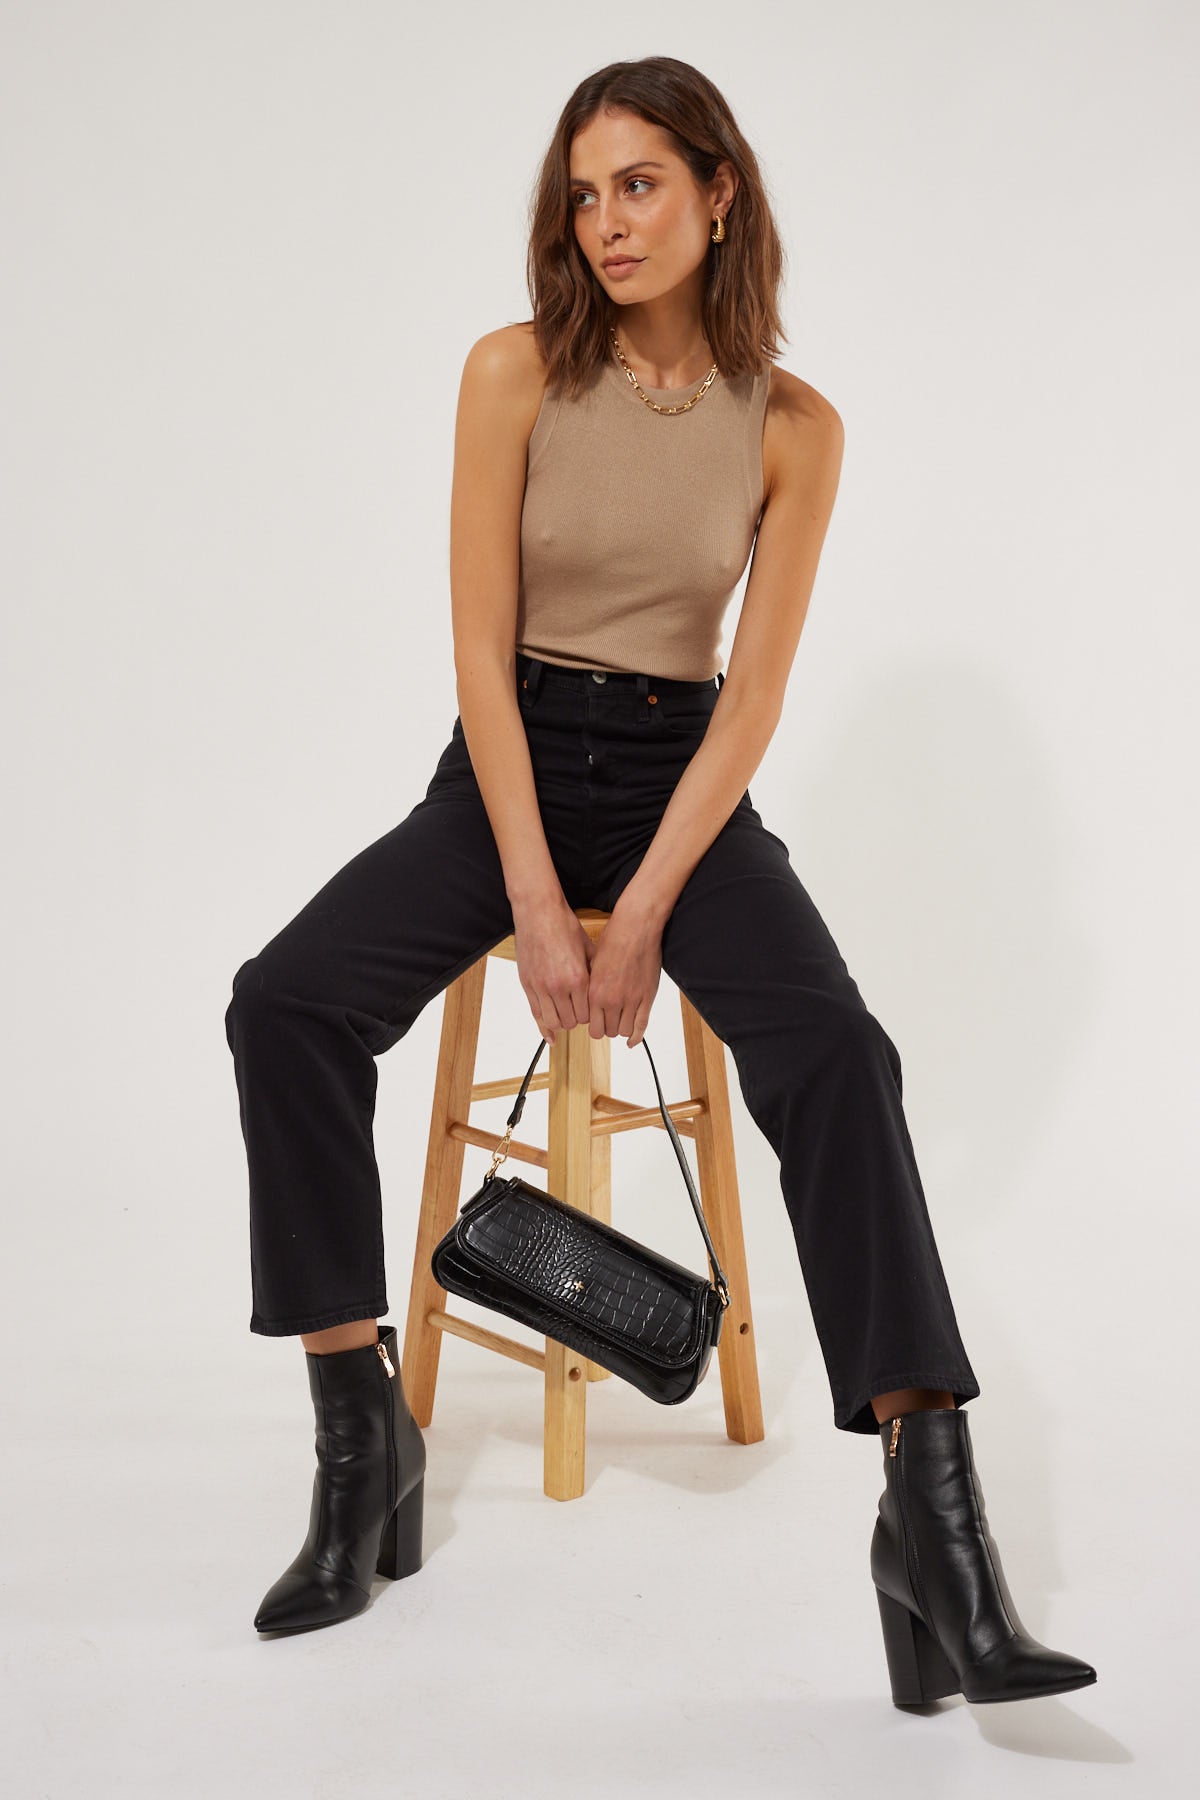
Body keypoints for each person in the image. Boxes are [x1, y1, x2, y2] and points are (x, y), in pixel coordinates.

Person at [224, 55, 1097, 1703]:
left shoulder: (797, 427)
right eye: (583, 194)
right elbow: (478, 655)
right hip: (507, 770)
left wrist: (646, 906)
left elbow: (749, 699)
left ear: (720, 192)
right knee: (284, 1005)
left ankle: (936, 1527)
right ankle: (359, 1438)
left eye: (639, 184)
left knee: (842, 1056)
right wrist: (536, 894)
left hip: (678, 784)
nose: (607, 223)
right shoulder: (511, 374)